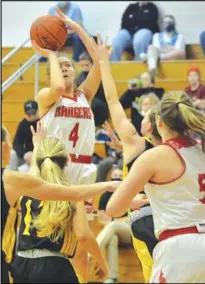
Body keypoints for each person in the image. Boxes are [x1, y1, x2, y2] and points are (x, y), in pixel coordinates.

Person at [31, 8, 106, 281]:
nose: (65, 69)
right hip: (57, 170)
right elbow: (59, 89)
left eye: (68, 66)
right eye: (60, 67)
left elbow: (100, 63)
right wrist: (51, 52)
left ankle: (82, 280)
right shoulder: (47, 97)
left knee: (81, 241)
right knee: (59, 236)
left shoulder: (84, 95)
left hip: (84, 170)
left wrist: (76, 28)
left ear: (75, 71)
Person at [106, 91, 205, 283]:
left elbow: (114, 208)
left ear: (159, 123)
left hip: (180, 249)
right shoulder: (202, 149)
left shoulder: (155, 156)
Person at [1, 124, 120, 283]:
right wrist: (102, 262)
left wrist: (38, 146)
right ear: (68, 161)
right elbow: (84, 236)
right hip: (54, 266)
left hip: (21, 264)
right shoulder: (69, 194)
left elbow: (34, 171)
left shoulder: (26, 190)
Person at [95, 37, 162, 282]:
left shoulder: (135, 141)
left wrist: (103, 62)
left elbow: (113, 101)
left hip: (145, 219)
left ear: (151, 126)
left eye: (147, 111)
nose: (142, 113)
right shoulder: (177, 148)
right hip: (175, 220)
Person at [76, 51, 109, 127]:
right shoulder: (79, 77)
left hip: (100, 104)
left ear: (92, 64)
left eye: (86, 65)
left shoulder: (100, 74)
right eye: (82, 66)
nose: (84, 68)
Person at [8, 100, 39, 172]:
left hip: (40, 157)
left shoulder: (44, 122)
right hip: (26, 157)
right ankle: (11, 179)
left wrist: (35, 155)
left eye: (34, 113)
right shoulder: (23, 124)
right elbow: (16, 143)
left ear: (38, 111)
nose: (32, 116)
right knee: (12, 155)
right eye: (29, 114)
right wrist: (25, 154)